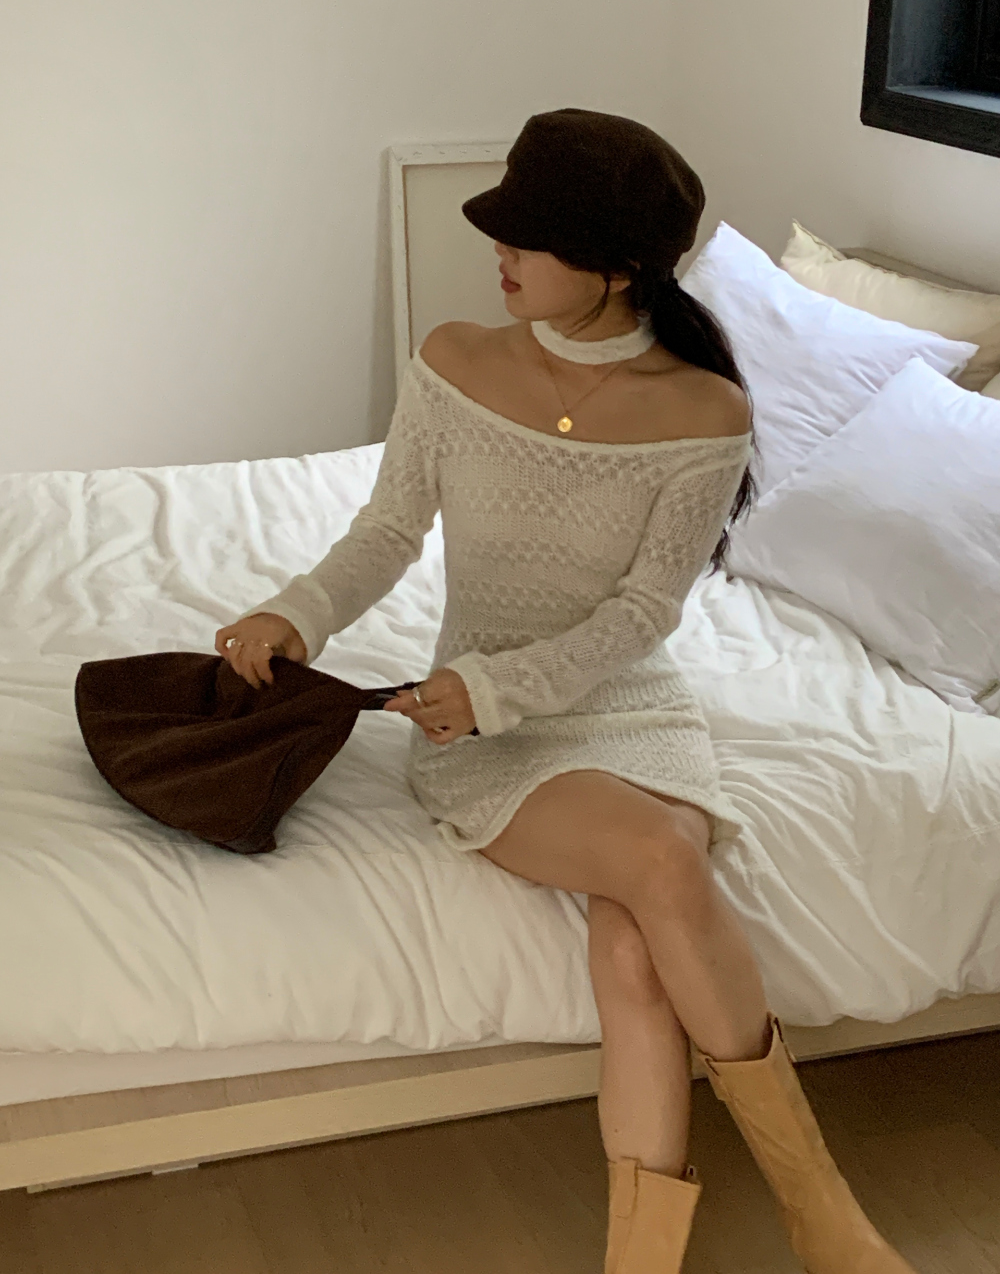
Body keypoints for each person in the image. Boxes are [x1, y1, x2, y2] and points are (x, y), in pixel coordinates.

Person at [216, 109, 916, 1274]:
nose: (498, 251)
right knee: (660, 863)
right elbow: (387, 531)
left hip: (626, 705)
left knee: (636, 950)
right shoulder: (454, 359)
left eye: (528, 236)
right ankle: (823, 1215)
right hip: (482, 730)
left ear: (619, 265)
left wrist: (494, 685)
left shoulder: (705, 411)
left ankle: (704, 1243)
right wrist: (301, 612)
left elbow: (642, 617)